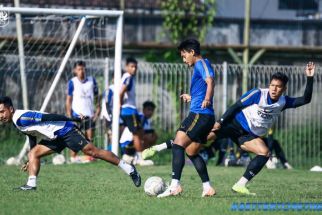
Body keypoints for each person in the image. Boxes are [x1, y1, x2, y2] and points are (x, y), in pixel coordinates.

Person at [207, 62, 315, 195]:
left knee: (265, 153)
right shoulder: (258, 94)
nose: (274, 89)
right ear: (269, 85)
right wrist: (220, 122)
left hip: (248, 135)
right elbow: (235, 106)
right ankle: (175, 153)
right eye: (272, 85)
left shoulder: (283, 102)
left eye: (278, 87)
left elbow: (305, 99)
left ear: (284, 89)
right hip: (234, 124)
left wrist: (310, 78)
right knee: (199, 140)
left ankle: (240, 185)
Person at [0, 96, 141, 191]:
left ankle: (129, 168)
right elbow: (31, 136)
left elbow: (49, 116)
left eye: (2, 111)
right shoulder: (16, 122)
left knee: (92, 152)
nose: (1, 115)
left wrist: (73, 119)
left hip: (65, 130)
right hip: (54, 137)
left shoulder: (22, 117)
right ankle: (31, 185)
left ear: (10, 109)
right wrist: (31, 158)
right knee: (33, 153)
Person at [157, 39, 216, 198]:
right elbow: (203, 86)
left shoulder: (201, 63)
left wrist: (208, 99)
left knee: (178, 144)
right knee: (191, 151)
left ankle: (174, 186)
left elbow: (210, 81)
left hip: (200, 115)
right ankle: (207, 187)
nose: (184, 60)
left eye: (184, 56)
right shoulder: (202, 65)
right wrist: (193, 97)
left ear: (192, 52)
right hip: (203, 114)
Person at [66, 60, 101, 163]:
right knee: (76, 138)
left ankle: (88, 158)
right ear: (75, 71)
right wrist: (69, 115)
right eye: (79, 69)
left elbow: (97, 96)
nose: (81, 71)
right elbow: (68, 100)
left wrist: (98, 109)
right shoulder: (72, 82)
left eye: (83, 69)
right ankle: (73, 158)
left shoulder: (92, 81)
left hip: (89, 115)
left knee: (89, 138)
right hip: (77, 115)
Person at [119, 57, 146, 164]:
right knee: (137, 134)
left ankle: (129, 155)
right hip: (129, 110)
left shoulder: (127, 77)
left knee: (138, 133)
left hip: (128, 110)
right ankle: (139, 157)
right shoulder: (128, 77)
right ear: (126, 67)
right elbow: (121, 92)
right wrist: (120, 105)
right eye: (132, 66)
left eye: (135, 67)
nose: (134, 69)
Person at [120, 101, 157, 166]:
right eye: (148, 109)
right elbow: (140, 133)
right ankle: (139, 158)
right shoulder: (140, 117)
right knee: (147, 137)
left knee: (153, 136)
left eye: (152, 110)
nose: (150, 112)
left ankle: (134, 157)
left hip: (131, 143)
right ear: (143, 110)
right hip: (126, 144)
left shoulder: (146, 120)